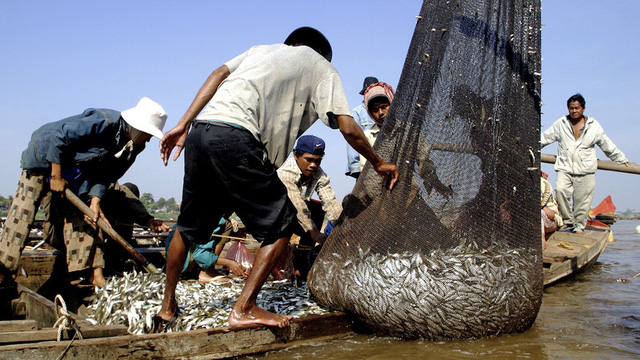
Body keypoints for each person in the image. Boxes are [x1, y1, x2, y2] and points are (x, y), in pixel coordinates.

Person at [156, 26, 399, 330]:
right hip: (238, 139)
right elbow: (347, 126)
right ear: (321, 53)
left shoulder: (260, 50)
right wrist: (378, 163)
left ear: (292, 44)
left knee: (187, 228)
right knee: (282, 225)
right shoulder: (322, 67)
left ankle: (167, 306)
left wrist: (183, 123)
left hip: (201, 132)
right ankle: (243, 309)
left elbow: (218, 73)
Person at [0, 97, 167, 287]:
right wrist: (55, 176)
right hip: (44, 158)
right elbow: (59, 137)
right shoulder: (105, 121)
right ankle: (3, 270)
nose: (150, 139)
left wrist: (95, 200)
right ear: (137, 126)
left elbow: (108, 174)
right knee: (23, 213)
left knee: (84, 217)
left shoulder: (135, 146)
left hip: (74, 171)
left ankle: (89, 275)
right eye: (149, 134)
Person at [541, 93, 628, 234]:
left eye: (577, 108)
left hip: (585, 169)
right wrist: (530, 147)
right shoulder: (561, 124)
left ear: (583, 109)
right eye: (571, 108)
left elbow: (606, 144)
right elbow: (545, 138)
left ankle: (579, 228)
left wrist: (620, 158)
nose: (574, 111)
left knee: (582, 202)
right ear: (568, 109)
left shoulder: (593, 126)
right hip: (565, 167)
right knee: (560, 190)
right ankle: (567, 221)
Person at [277, 135, 342, 279]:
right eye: (309, 159)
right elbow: (297, 205)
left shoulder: (319, 174)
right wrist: (313, 232)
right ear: (296, 155)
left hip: (295, 213)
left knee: (317, 209)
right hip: (275, 212)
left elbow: (330, 201)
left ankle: (302, 262)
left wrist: (341, 226)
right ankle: (279, 268)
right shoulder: (286, 172)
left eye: (317, 161)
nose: (313, 165)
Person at [164, 214, 249, 283]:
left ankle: (207, 269)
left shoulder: (199, 212)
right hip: (182, 265)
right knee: (227, 224)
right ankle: (207, 272)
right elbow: (200, 255)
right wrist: (230, 263)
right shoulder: (215, 219)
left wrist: (234, 234)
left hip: (173, 264)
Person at [345, 76, 379, 178]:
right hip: (366, 166)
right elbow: (353, 139)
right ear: (364, 93)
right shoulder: (357, 113)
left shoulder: (385, 111)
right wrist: (356, 168)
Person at [360, 81, 395, 170]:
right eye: (375, 110)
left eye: (384, 107)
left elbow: (424, 160)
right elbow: (365, 168)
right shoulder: (368, 136)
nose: (380, 113)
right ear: (370, 113)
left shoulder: (408, 129)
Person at [540, 172, 563, 250]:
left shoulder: (543, 184)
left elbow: (541, 202)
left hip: (550, 220)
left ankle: (542, 242)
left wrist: (543, 207)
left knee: (538, 214)